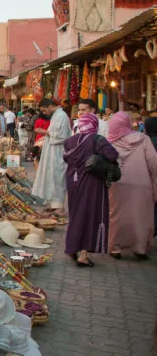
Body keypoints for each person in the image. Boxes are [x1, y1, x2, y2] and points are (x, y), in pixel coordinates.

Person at [63, 113, 119, 267]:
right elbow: (113, 155)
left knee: (76, 214)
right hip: (91, 182)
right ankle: (83, 255)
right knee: (89, 216)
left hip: (73, 180)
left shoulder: (70, 141)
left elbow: (65, 158)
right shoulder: (97, 140)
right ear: (95, 125)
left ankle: (72, 248)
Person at [107, 112, 157, 260]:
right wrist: (154, 180)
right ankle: (140, 248)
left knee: (116, 216)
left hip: (116, 183)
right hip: (141, 183)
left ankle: (115, 248)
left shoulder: (109, 141)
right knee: (141, 216)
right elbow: (153, 162)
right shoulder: (143, 139)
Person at [32, 98, 71, 214]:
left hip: (58, 151)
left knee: (58, 178)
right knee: (52, 177)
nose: (44, 113)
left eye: (44, 110)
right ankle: (54, 205)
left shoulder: (61, 116)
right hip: (52, 151)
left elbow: (61, 136)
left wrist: (44, 132)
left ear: (50, 106)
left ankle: (59, 207)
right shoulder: (56, 116)